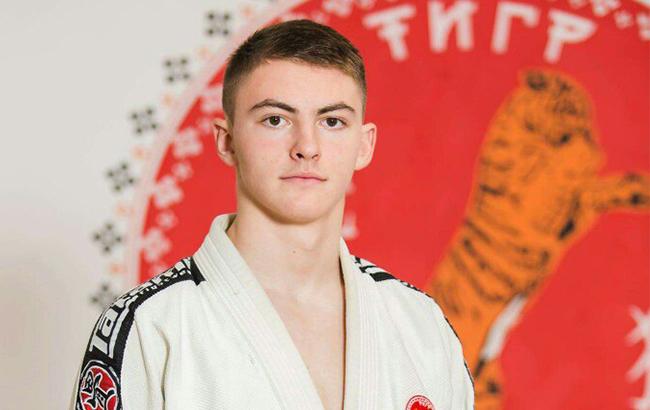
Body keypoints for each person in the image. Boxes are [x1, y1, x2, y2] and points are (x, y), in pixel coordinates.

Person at [70, 19, 474, 410]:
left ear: (364, 145)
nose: (306, 147)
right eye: (275, 120)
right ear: (227, 141)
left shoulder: (421, 325)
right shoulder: (152, 326)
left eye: (332, 121)